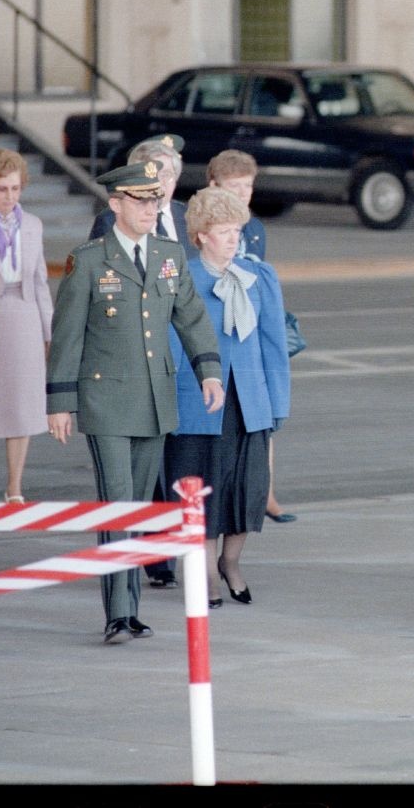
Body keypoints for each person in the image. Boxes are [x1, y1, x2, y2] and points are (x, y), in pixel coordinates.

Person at [46, 160, 224, 645]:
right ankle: (118, 611)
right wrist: (60, 400)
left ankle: (131, 609)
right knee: (117, 501)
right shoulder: (90, 260)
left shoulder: (169, 254)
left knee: (140, 505)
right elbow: (67, 336)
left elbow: (190, 316)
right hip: (105, 400)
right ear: (116, 203)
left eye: (155, 199)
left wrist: (209, 369)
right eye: (141, 200)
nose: (152, 208)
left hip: (154, 398)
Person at [165, 187, 290, 608]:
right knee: (202, 493)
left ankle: (231, 563)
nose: (235, 238)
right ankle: (205, 581)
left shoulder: (259, 277)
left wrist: (278, 402)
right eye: (224, 231)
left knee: (247, 489)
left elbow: (274, 342)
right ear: (201, 235)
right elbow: (170, 342)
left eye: (237, 229)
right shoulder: (183, 278)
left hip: (248, 400)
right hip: (198, 404)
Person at [89, 134, 193, 590]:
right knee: (131, 478)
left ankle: (162, 547)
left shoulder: (185, 220)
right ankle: (144, 563)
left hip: (176, 363)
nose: (165, 185)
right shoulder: (104, 230)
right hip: (129, 367)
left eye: (170, 174)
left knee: (172, 463)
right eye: (157, 175)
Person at [204, 149, 293, 523]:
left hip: (249, 333)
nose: (242, 194)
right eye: (234, 186)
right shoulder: (202, 227)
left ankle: (264, 491)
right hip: (215, 332)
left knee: (261, 411)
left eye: (248, 187)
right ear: (213, 186)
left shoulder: (254, 230)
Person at [0, 148, 55, 505]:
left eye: (16, 189)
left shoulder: (33, 224)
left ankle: (14, 486)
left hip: (24, 319)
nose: (9, 197)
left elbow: (40, 282)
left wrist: (49, 333)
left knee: (22, 404)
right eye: (2, 189)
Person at [88, 133, 190, 252]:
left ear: (176, 179)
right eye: (153, 175)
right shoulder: (111, 220)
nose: (160, 183)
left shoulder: (190, 217)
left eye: (166, 174)